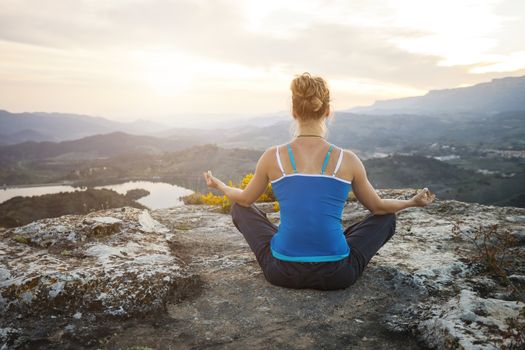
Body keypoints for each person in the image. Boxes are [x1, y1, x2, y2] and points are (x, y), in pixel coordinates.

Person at [203, 72, 435, 290]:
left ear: (294, 112)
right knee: (386, 219)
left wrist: (219, 185)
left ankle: (296, 244)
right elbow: (378, 207)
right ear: (328, 111)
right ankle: (326, 243)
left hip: (282, 272)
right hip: (337, 274)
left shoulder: (272, 156)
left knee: (240, 209)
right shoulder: (348, 159)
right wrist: (412, 203)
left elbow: (244, 200)